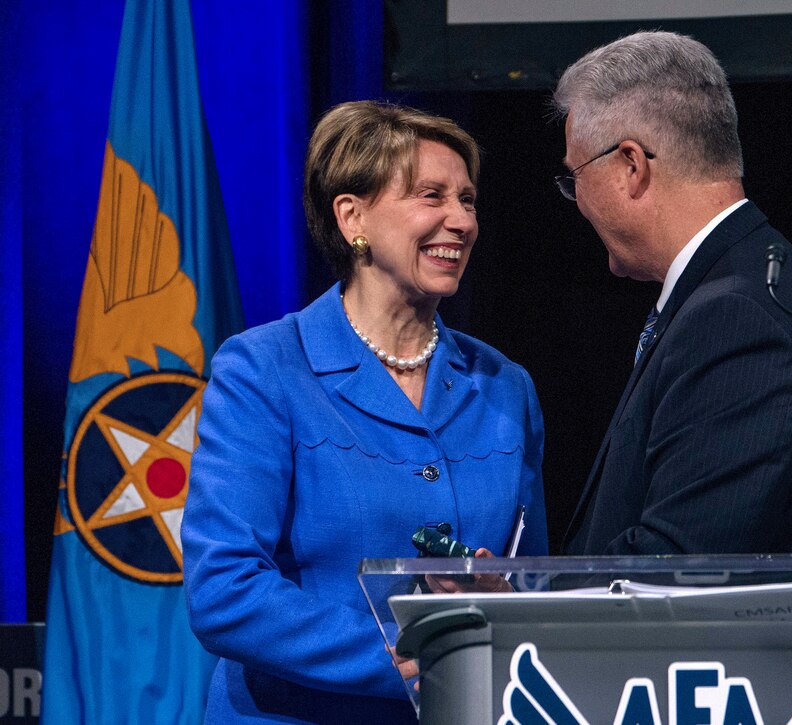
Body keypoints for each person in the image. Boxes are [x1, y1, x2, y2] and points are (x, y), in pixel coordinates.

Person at [182, 101, 547, 724]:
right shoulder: (263, 369)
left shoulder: (505, 386)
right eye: (431, 196)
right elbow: (224, 590)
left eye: (468, 200)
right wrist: (409, 654)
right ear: (353, 217)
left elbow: (536, 580)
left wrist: (505, 595)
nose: (461, 220)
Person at [553, 31, 792, 556]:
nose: (578, 202)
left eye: (576, 177)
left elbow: (677, 565)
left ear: (631, 166)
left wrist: (530, 592)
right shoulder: (759, 277)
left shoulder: (736, 320)